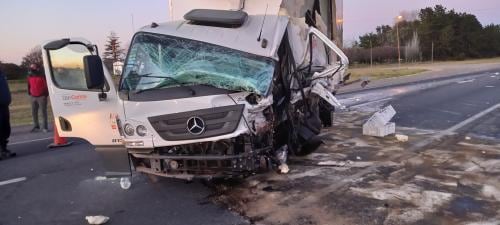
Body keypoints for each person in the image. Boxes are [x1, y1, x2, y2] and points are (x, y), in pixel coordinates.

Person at [27, 64, 49, 132]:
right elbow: (29, 85)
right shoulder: (29, 76)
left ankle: (45, 127)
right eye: (31, 66)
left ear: (37, 68)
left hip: (42, 96)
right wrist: (30, 93)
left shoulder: (42, 75)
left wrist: (45, 94)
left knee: (43, 112)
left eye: (33, 66)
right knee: (34, 112)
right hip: (33, 96)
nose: (32, 68)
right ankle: (36, 126)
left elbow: (46, 85)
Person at [0, 68, 15, 159]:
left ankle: (4, 149)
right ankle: (1, 151)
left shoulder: (2, 75)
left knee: (5, 128)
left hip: (4, 105)